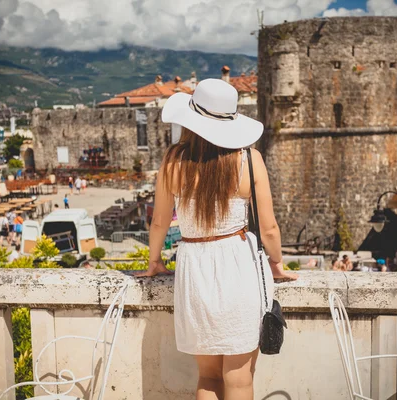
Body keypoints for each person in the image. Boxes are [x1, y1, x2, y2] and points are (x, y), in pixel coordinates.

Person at [136, 79, 298, 399]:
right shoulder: (249, 160)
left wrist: (154, 262)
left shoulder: (173, 160)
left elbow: (158, 223)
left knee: (208, 377)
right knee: (239, 379)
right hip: (240, 268)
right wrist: (276, 264)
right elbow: (268, 229)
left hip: (194, 268)